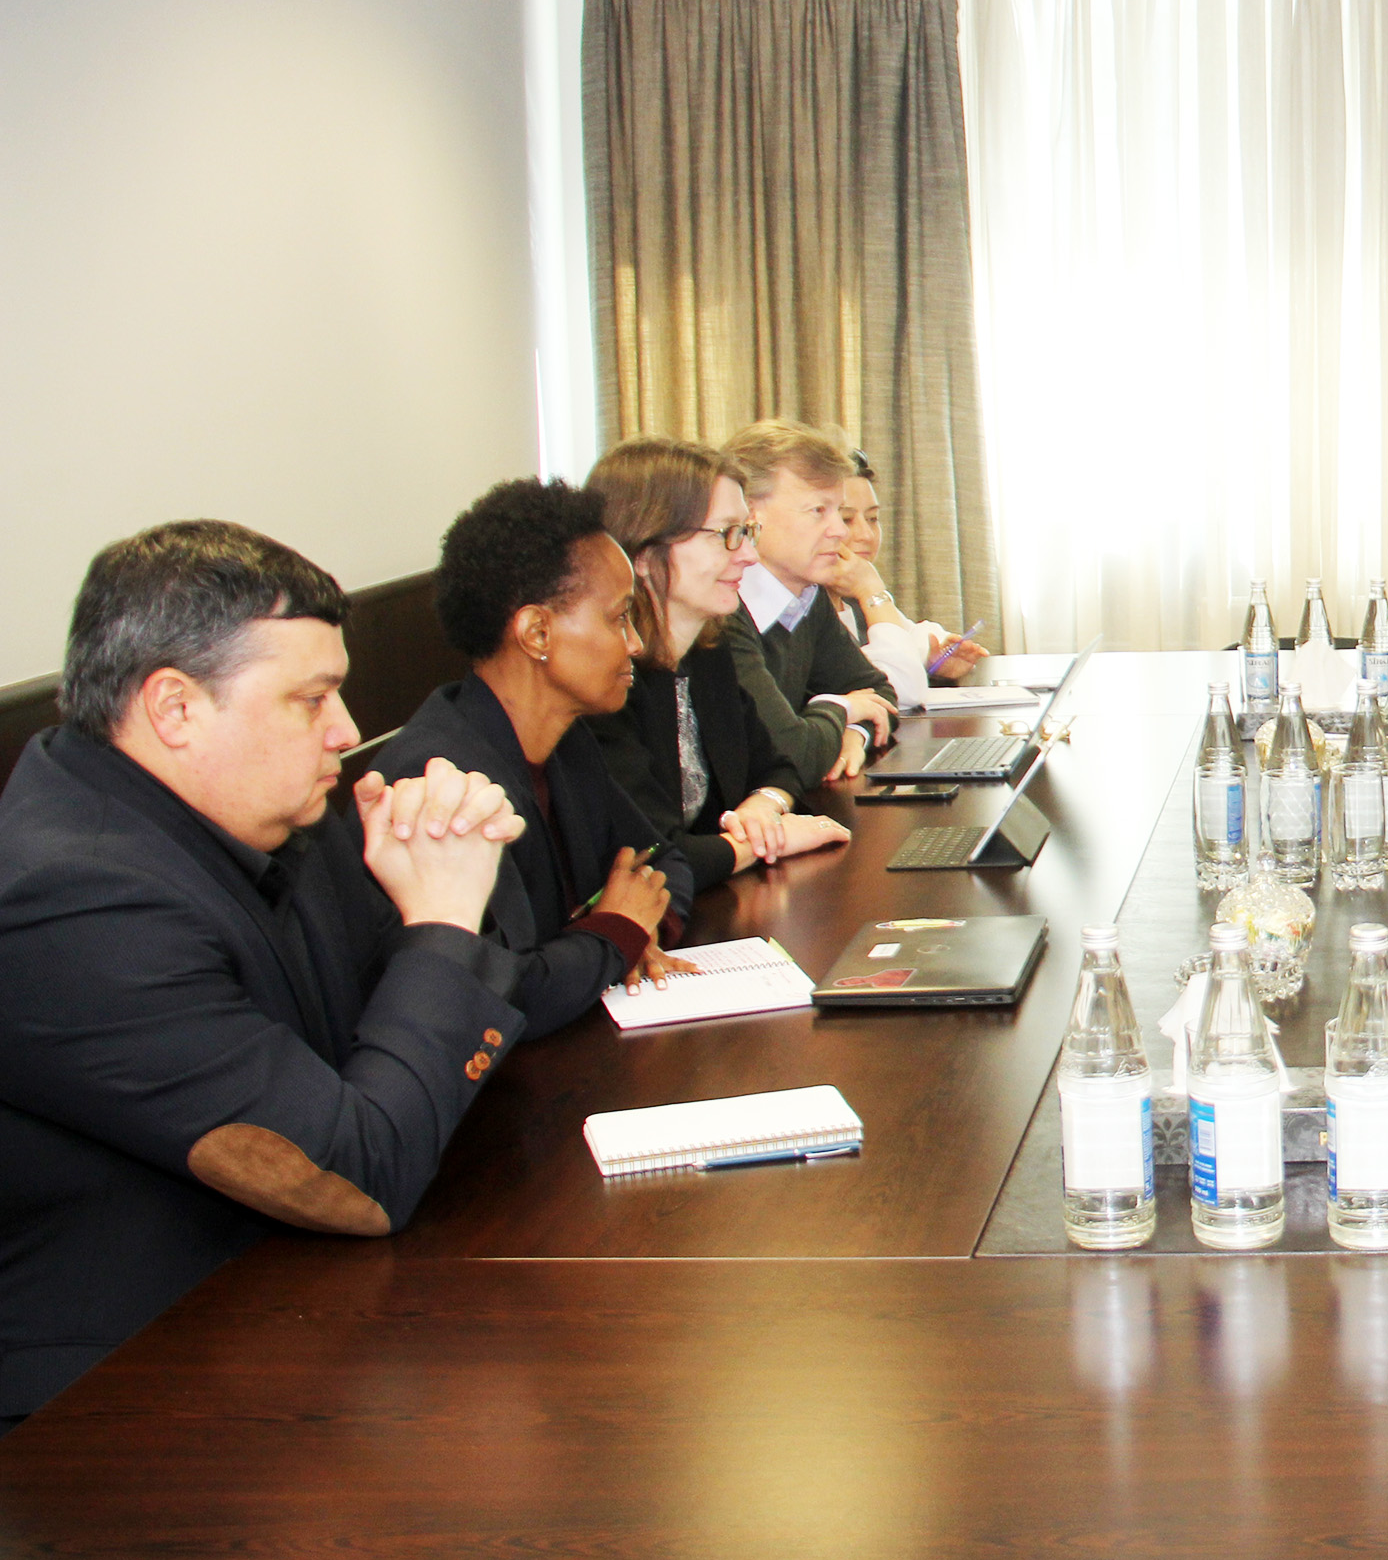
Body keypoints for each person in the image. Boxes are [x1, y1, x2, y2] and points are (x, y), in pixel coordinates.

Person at [0, 522, 530, 1431]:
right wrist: (441, 914)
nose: (348, 732)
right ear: (175, 708)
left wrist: (437, 878)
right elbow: (360, 1175)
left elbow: (417, 1029)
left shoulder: (254, 814)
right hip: (119, 1414)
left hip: (285, 1323)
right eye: (311, 699)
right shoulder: (72, 903)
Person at [375, 479, 695, 1035]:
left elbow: (665, 861)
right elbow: (501, 992)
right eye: (619, 617)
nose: (636, 643)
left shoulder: (566, 740)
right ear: (536, 632)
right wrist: (614, 934)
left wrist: (634, 929)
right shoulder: (442, 781)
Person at [586, 438, 851, 891]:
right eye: (727, 533)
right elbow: (649, 856)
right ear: (646, 553)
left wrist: (764, 806)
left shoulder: (707, 652)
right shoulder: (603, 684)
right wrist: (765, 843)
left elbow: (777, 766)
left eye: (746, 532)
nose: (749, 554)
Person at [722, 418, 899, 786]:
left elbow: (879, 692)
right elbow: (792, 754)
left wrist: (856, 732)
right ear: (749, 513)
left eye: (838, 510)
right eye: (819, 510)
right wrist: (842, 708)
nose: (840, 530)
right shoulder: (722, 611)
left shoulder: (805, 596)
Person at [828, 450, 988, 708]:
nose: (867, 535)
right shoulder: (810, 607)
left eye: (872, 519)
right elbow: (899, 687)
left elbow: (912, 634)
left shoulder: (853, 597)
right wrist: (872, 591)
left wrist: (931, 659)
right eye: (846, 519)